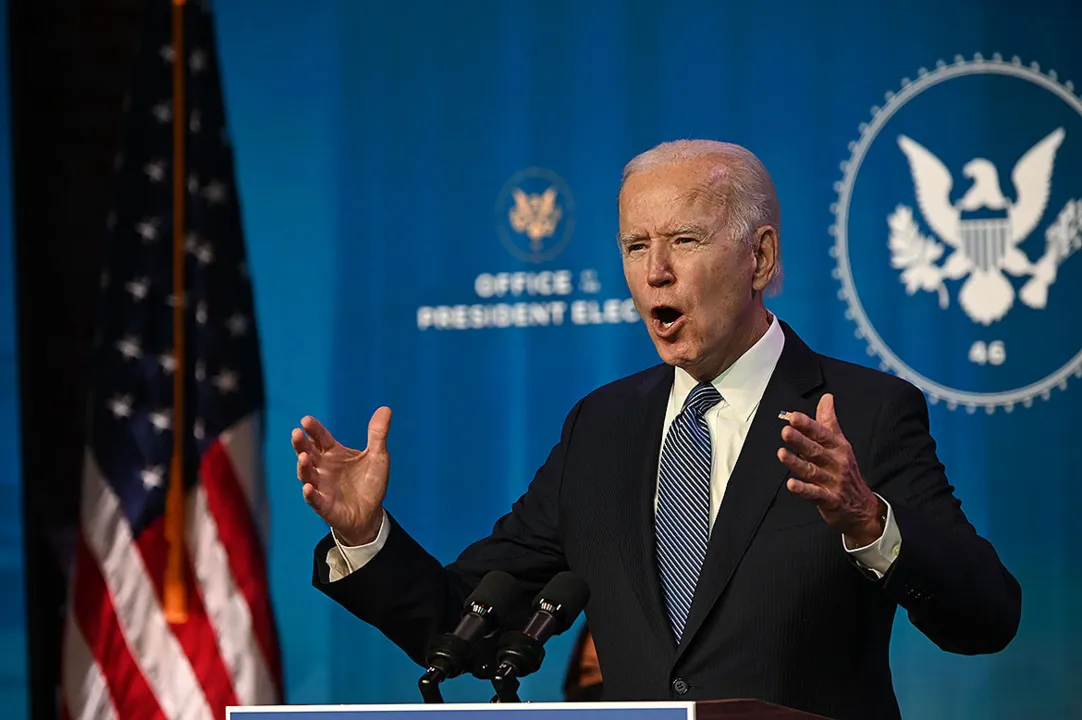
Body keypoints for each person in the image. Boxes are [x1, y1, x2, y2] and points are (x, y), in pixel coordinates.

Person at [293, 140, 1021, 720]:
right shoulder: (601, 428)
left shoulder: (863, 411)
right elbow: (468, 624)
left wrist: (869, 521)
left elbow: (986, 616)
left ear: (759, 257)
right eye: (636, 245)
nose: (656, 272)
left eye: (683, 240)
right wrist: (366, 536)